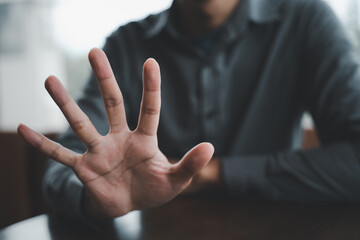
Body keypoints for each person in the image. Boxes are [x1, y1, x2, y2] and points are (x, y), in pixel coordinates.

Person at [18, 0, 360, 225]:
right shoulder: (126, 45)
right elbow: (63, 174)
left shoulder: (306, 21)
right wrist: (98, 198)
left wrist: (207, 175)